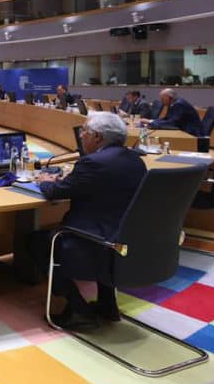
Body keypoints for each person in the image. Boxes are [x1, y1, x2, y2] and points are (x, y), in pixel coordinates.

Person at [30, 112, 146, 329]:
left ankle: (79, 310)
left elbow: (57, 192)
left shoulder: (92, 163)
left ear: (98, 137)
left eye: (84, 132)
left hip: (95, 241)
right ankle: (107, 305)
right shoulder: (136, 160)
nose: (81, 136)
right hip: (124, 240)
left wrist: (45, 181)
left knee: (36, 242)